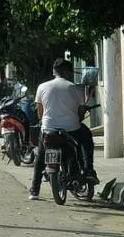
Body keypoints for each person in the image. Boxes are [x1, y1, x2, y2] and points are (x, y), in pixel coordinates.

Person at [28, 58, 96, 201]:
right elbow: (80, 113)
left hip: (48, 129)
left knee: (40, 156)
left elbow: (40, 112)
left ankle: (34, 190)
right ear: (67, 72)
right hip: (71, 130)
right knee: (86, 139)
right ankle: (89, 170)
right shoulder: (74, 88)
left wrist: (46, 122)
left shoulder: (42, 87)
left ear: (54, 71)